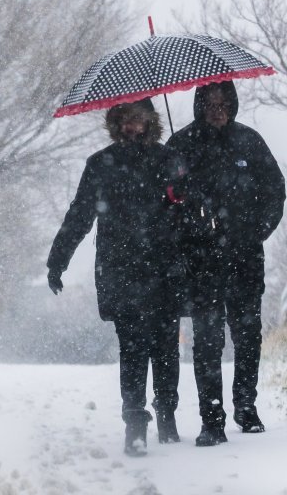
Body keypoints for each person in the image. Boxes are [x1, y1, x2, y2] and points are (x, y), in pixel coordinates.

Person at [46, 99, 181, 457]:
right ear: (114, 122)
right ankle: (135, 423)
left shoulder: (170, 160)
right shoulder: (100, 164)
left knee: (166, 347)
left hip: (165, 268)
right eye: (123, 119)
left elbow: (188, 211)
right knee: (134, 347)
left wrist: (181, 194)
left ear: (150, 121)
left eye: (137, 119)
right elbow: (79, 215)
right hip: (121, 270)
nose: (130, 127)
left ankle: (168, 416)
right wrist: (57, 260)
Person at [165, 80, 285, 447]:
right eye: (211, 103)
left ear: (232, 103)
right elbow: (165, 201)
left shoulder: (250, 141)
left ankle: (246, 407)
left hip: (245, 256)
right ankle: (211, 419)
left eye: (224, 102)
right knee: (207, 338)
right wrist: (185, 210)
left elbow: (275, 189)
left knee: (247, 334)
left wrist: (256, 232)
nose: (218, 109)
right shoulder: (181, 146)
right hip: (201, 259)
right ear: (200, 105)